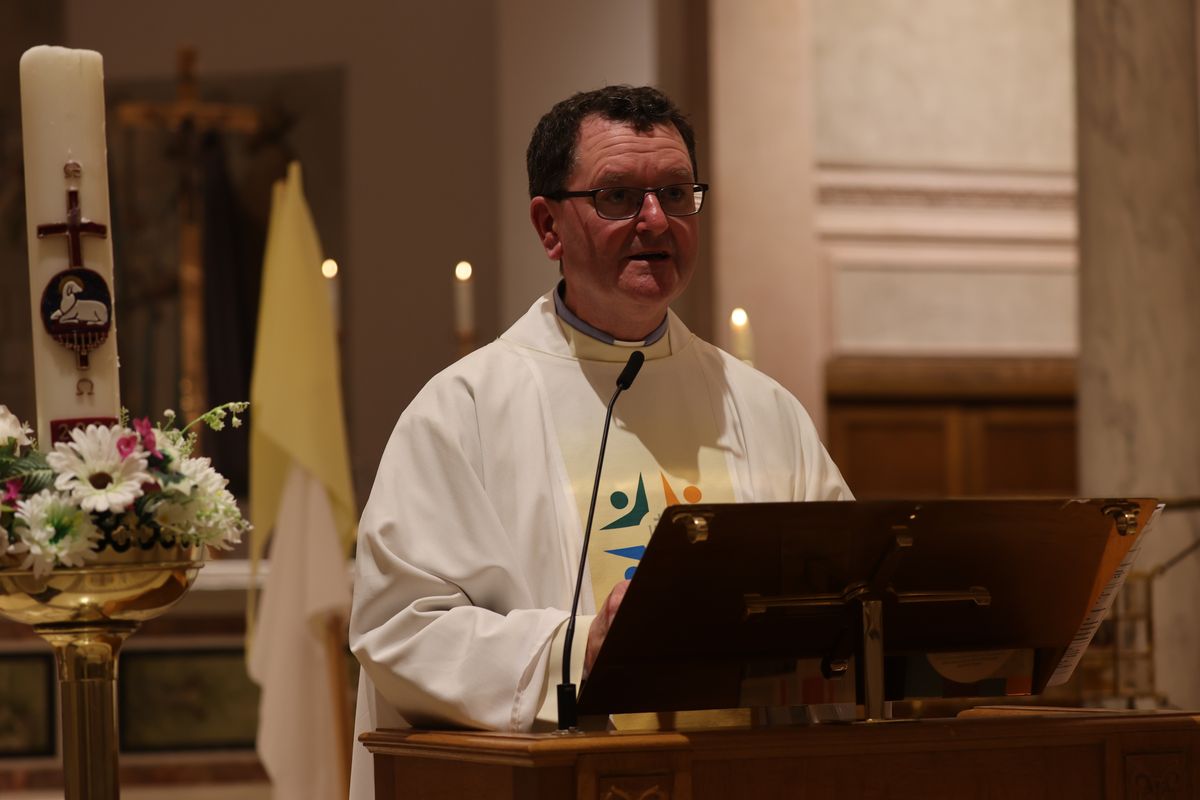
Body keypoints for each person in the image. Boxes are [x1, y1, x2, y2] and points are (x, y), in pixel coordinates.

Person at [347, 85, 852, 798]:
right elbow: (402, 631)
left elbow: (847, 599)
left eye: (676, 193)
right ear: (548, 226)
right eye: (618, 197)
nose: (656, 220)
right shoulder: (462, 412)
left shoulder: (764, 411)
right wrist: (581, 648)